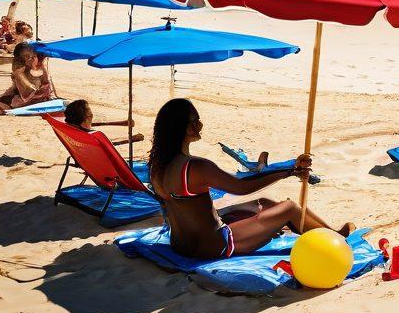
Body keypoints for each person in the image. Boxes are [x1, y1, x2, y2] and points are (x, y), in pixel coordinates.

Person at [148, 98, 353, 259]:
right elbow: (241, 187)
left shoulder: (157, 167)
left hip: (180, 245)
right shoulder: (196, 167)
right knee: (289, 208)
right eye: (195, 122)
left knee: (263, 204)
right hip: (214, 246)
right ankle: (335, 237)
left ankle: (327, 229)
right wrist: (289, 172)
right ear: (182, 128)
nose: (200, 126)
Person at [0, 42, 56, 115]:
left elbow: (49, 90)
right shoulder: (21, 73)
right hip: (23, 104)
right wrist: (19, 75)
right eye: (27, 56)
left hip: (30, 103)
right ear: (20, 60)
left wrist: (43, 66)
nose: (31, 59)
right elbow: (28, 93)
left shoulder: (39, 71)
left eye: (34, 56)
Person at [64, 100, 143, 147]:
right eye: (89, 110)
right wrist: (132, 140)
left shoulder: (74, 130)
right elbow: (109, 146)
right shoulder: (94, 137)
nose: (92, 114)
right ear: (87, 118)